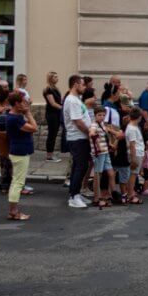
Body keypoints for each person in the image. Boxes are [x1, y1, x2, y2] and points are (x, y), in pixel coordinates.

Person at [4, 91, 36, 220]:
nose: (26, 103)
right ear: (17, 103)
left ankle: (13, 210)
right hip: (19, 152)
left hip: (18, 151)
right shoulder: (15, 118)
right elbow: (34, 127)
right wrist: (28, 113)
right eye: (23, 101)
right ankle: (13, 211)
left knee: (16, 181)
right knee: (18, 183)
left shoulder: (14, 115)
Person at [63, 75, 92, 208]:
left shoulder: (76, 99)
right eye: (82, 84)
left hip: (80, 138)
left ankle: (75, 193)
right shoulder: (72, 101)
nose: (84, 87)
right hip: (77, 138)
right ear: (75, 84)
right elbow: (78, 121)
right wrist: (89, 132)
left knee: (79, 166)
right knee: (80, 167)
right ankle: (74, 197)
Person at [123, 107, 144, 204]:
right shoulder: (132, 128)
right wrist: (134, 158)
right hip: (136, 154)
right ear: (139, 117)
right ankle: (131, 194)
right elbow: (132, 145)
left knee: (133, 174)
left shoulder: (133, 127)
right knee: (133, 175)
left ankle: (130, 192)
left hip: (138, 153)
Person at [42, 72, 64, 161]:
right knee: (52, 134)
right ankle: (49, 156)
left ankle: (51, 154)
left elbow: (59, 101)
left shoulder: (55, 89)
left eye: (57, 77)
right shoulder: (48, 89)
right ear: (50, 78)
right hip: (52, 114)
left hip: (57, 113)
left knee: (54, 134)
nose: (57, 78)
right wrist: (63, 108)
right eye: (55, 77)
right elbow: (53, 103)